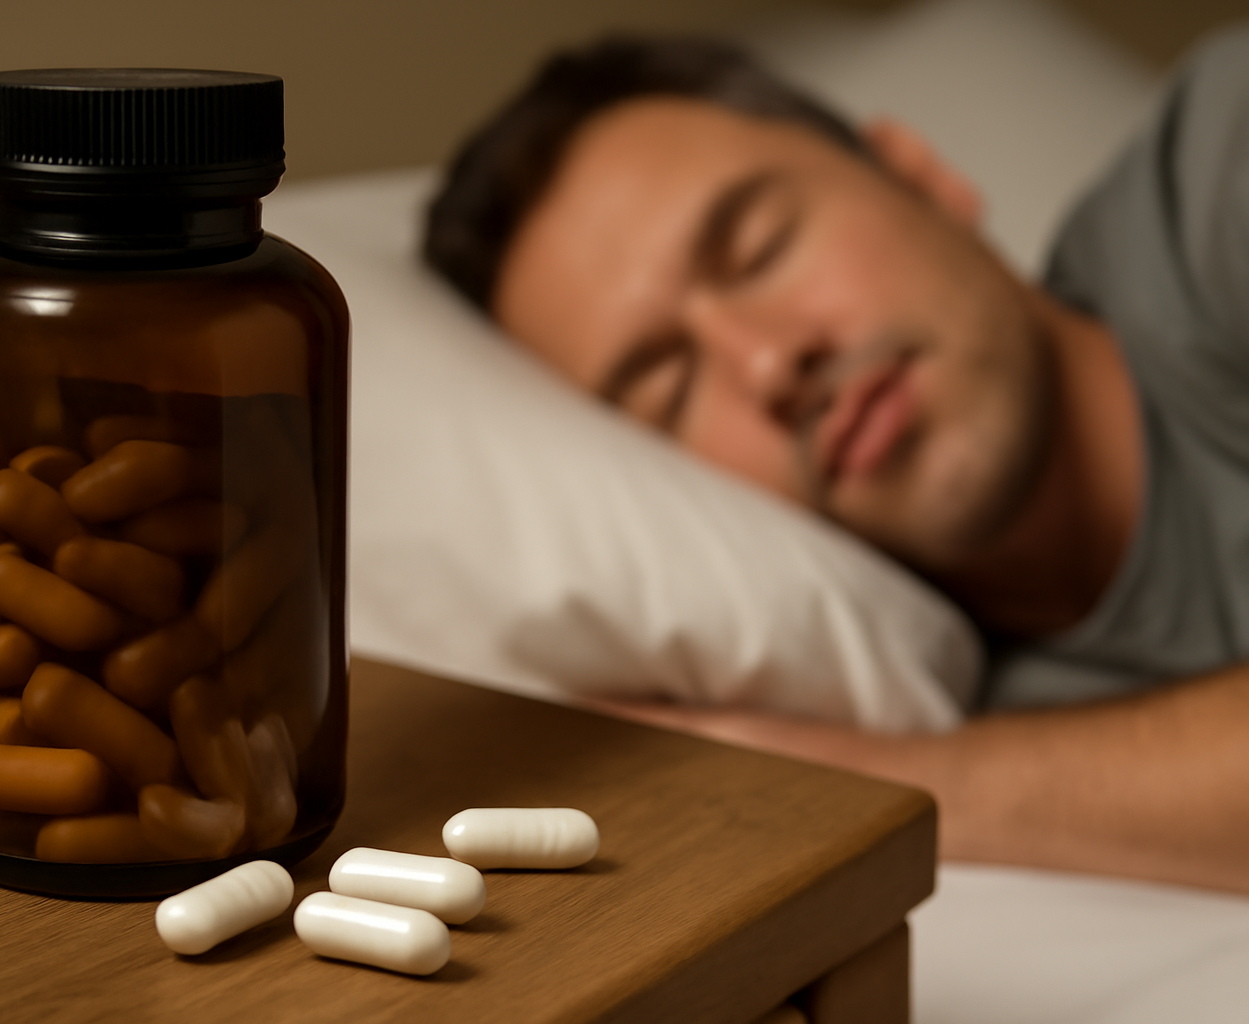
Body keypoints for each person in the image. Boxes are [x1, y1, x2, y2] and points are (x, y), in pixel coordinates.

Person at [422, 31, 1249, 893]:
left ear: (920, 176)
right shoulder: (927, 690)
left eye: (761, 246)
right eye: (666, 387)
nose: (768, 364)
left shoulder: (1222, 164)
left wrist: (849, 779)